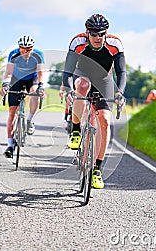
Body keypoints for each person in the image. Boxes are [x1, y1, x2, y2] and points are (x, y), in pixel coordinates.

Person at [62, 14, 126, 189]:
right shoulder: (78, 42)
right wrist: (69, 91)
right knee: (82, 86)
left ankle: (97, 168)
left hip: (104, 79)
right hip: (82, 73)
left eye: (101, 33)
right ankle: (75, 130)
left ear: (106, 33)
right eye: (93, 33)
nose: (98, 37)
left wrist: (119, 93)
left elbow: (121, 73)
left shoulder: (114, 44)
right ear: (87, 32)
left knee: (104, 120)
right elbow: (67, 72)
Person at [0, 35, 45, 158]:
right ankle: (10, 145)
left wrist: (41, 86)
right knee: (12, 113)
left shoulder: (38, 55)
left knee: (34, 92)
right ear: (19, 47)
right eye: (22, 48)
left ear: (32, 48)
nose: (25, 51)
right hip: (16, 79)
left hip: (32, 78)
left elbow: (40, 73)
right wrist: (5, 84)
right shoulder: (13, 54)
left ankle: (29, 120)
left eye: (28, 49)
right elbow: (8, 73)